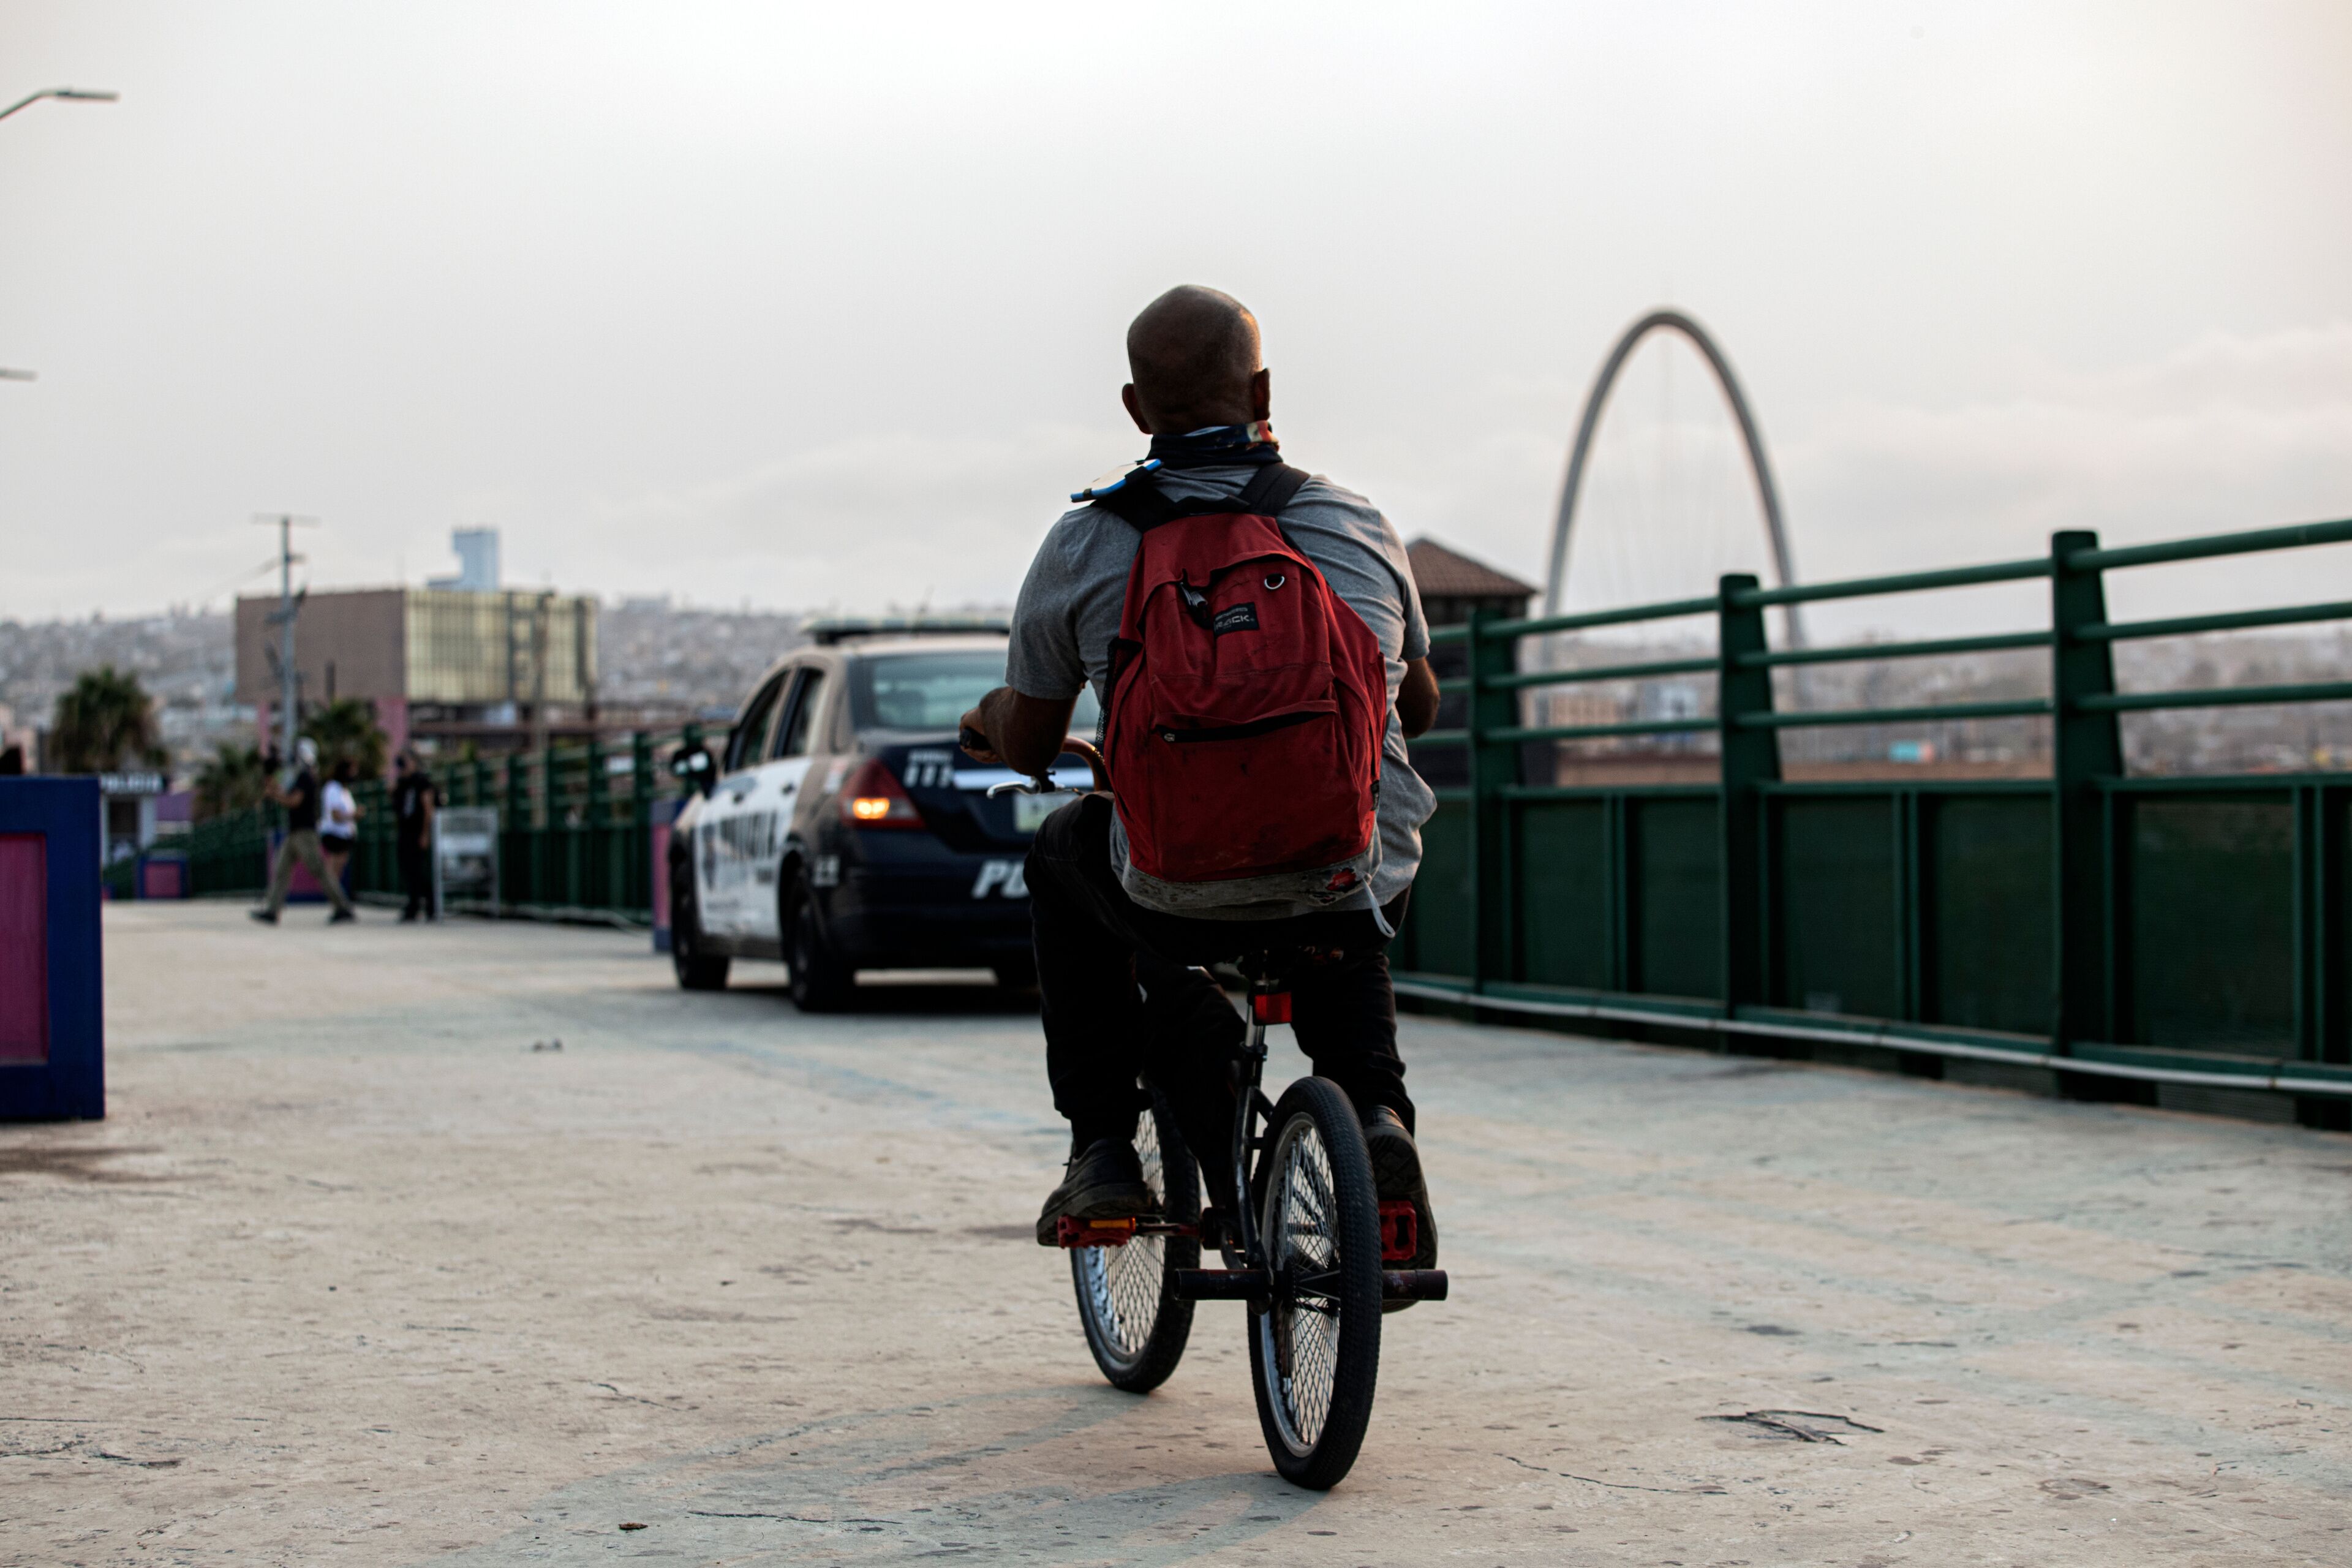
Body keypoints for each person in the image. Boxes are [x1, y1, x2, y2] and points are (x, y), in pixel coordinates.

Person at [959, 284, 1443, 1273]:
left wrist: (989, 725)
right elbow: (1419, 706)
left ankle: (1101, 1148)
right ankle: (1379, 1116)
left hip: (1174, 885)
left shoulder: (1088, 543)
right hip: (1342, 870)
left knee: (1065, 856)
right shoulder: (1353, 525)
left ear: (1136, 409)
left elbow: (1033, 735)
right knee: (1346, 889)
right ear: (1263, 388)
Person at [250, 736, 358, 925]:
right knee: (282, 870)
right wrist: (273, 786)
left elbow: (294, 801)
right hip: (295, 833)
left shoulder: (306, 777)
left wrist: (276, 795)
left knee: (320, 870)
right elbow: (288, 796)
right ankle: (272, 911)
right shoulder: (303, 776)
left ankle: (343, 907)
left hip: (305, 833)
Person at [391, 750, 440, 922]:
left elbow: (429, 809)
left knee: (417, 870)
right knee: (407, 869)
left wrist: (425, 834)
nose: (402, 767)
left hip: (417, 831)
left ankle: (428, 905)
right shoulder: (403, 783)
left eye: (405, 763)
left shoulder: (422, 781)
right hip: (404, 831)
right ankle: (414, 904)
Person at [318, 759, 361, 894]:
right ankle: (334, 897)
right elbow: (336, 815)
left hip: (345, 836)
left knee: (339, 868)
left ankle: (335, 897)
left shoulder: (345, 791)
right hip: (335, 835)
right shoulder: (333, 789)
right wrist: (354, 815)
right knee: (334, 868)